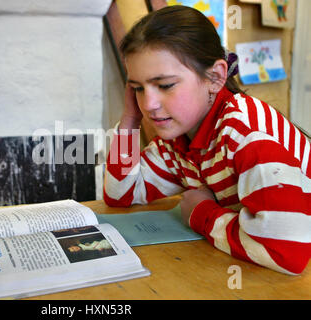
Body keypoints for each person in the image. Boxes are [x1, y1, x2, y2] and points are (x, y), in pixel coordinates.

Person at [104, 5, 310, 275]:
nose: (150, 104)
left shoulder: (247, 136)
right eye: (139, 88)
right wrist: (130, 119)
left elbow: (285, 253)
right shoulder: (178, 139)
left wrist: (201, 213)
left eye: (165, 85)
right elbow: (122, 194)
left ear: (215, 77)